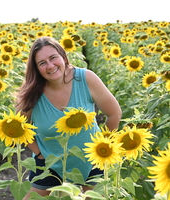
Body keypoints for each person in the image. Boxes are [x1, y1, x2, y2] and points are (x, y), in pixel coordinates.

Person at [15, 36, 122, 199]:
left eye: (53, 58)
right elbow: (19, 127)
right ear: (36, 69)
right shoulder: (33, 93)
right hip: (49, 164)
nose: (50, 66)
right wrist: (39, 154)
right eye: (42, 63)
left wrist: (104, 148)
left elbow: (114, 113)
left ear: (63, 57)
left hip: (90, 161)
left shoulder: (85, 79)